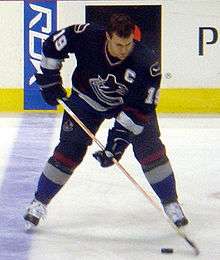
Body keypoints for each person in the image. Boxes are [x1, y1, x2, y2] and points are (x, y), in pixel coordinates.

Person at [24, 13, 188, 230]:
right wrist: (49, 80)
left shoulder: (146, 62)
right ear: (108, 36)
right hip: (86, 100)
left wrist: (118, 141)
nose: (123, 50)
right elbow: (52, 44)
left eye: (128, 44)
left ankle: (171, 203)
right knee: (69, 149)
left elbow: (142, 109)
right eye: (119, 44)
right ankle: (39, 202)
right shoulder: (87, 36)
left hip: (127, 106)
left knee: (150, 148)